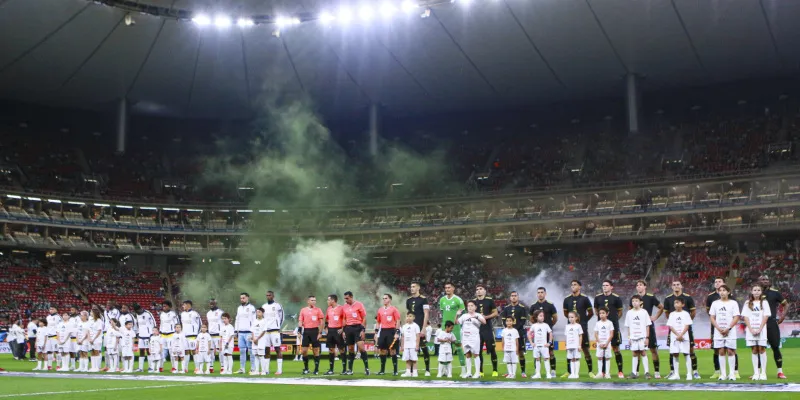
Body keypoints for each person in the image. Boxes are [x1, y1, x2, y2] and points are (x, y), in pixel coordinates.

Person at [663, 280, 700, 379]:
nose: (676, 286)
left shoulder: (687, 297)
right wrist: (674, 323)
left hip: (686, 329)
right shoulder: (668, 299)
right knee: (673, 351)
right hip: (674, 329)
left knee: (690, 350)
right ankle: (674, 372)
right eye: (674, 285)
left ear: (681, 286)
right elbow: (667, 314)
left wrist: (687, 322)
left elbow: (693, 312)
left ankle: (694, 371)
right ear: (671, 287)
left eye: (678, 284)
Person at [630, 280, 663, 379]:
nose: (638, 286)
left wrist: (655, 317)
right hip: (637, 328)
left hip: (648, 326)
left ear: (645, 287)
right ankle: (636, 372)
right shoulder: (634, 298)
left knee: (653, 349)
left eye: (640, 285)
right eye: (637, 285)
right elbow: (630, 311)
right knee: (637, 350)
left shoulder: (650, 297)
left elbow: (661, 307)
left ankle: (656, 372)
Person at [759, 275, 789, 379]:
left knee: (775, 347)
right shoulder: (755, 293)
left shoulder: (775, 292)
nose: (765, 281)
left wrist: (782, 316)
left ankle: (780, 372)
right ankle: (758, 372)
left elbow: (786, 304)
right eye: (763, 279)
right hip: (758, 324)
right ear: (759, 281)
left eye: (767, 279)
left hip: (771, 323)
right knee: (759, 348)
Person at [563, 280, 594, 376]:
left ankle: (590, 371)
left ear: (579, 287)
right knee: (569, 350)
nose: (573, 286)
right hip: (570, 329)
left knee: (585, 349)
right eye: (571, 285)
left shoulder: (585, 298)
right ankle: (569, 372)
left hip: (582, 328)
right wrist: (572, 321)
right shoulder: (567, 299)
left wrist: (583, 321)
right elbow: (565, 313)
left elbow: (590, 313)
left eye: (575, 285)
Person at [709, 284, 740, 381]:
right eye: (720, 290)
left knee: (730, 351)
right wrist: (718, 328)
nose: (722, 292)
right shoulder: (715, 303)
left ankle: (731, 374)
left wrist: (728, 328)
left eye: (724, 290)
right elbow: (712, 317)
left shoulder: (733, 303)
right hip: (719, 331)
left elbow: (736, 317)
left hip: (730, 331)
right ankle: (723, 374)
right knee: (721, 351)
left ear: (728, 292)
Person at [594, 280, 624, 378]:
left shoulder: (616, 298)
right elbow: (596, 310)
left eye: (607, 285)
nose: (604, 287)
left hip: (613, 327)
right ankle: (602, 372)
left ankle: (620, 371)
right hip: (602, 329)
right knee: (602, 349)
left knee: (616, 348)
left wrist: (612, 320)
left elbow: (620, 312)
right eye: (603, 285)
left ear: (611, 287)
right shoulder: (598, 297)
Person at [742, 285, 770, 380]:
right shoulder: (747, 303)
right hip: (751, 330)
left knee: (761, 349)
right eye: (755, 290)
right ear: (752, 291)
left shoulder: (764, 303)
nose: (757, 292)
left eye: (758, 290)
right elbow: (745, 317)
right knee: (754, 350)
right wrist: (751, 329)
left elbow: (766, 316)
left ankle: (763, 373)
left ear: (761, 292)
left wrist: (760, 329)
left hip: (761, 329)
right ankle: (756, 373)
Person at [439, 282, 466, 376]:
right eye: (446, 288)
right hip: (445, 327)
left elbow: (462, 311)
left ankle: (463, 370)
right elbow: (443, 313)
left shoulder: (458, 299)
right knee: (444, 347)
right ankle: (445, 370)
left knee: (458, 347)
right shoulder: (442, 300)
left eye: (449, 287)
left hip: (456, 327)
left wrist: (457, 318)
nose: (447, 289)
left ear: (453, 288)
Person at [500, 291, 529, 377]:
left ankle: (523, 371)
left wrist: (514, 330)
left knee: (520, 353)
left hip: (518, 333)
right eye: (512, 296)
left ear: (518, 297)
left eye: (515, 296)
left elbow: (523, 321)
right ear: (510, 297)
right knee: (508, 352)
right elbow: (504, 320)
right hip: (509, 333)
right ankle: (509, 372)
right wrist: (509, 329)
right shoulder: (506, 308)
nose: (513, 297)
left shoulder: (522, 308)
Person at [530, 287, 558, 376]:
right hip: (538, 334)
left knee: (551, 352)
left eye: (542, 292)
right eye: (538, 292)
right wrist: (537, 326)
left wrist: (549, 326)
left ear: (545, 293)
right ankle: (537, 372)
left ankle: (552, 370)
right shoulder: (533, 306)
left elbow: (555, 318)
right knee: (537, 352)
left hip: (547, 332)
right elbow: (531, 318)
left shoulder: (550, 305)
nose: (540, 294)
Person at [473, 284, 499, 377]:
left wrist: (486, 317)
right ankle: (480, 371)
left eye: (480, 289)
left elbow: (496, 313)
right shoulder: (473, 302)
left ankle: (495, 370)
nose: (478, 291)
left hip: (488, 328)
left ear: (484, 291)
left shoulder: (489, 300)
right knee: (478, 351)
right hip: (477, 330)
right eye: (477, 289)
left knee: (492, 349)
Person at [406, 282, 432, 376]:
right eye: (411, 287)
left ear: (418, 288)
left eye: (413, 287)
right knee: (412, 349)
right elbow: (408, 314)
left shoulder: (423, 299)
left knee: (424, 348)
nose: (411, 288)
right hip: (411, 329)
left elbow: (426, 313)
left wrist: (424, 328)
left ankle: (427, 370)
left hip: (420, 327)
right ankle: (411, 371)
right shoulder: (408, 300)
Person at [341, 291, 369, 375]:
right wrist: (343, 330)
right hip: (348, 328)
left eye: (347, 298)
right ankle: (350, 369)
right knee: (350, 349)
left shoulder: (359, 305)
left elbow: (364, 318)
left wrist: (363, 330)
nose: (346, 300)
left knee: (361, 347)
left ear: (351, 297)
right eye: (345, 298)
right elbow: (344, 319)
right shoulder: (344, 306)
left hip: (357, 327)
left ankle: (367, 368)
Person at [625, 295, 652, 379]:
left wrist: (647, 338)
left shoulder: (644, 312)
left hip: (642, 336)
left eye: (636, 301)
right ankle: (633, 373)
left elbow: (648, 325)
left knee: (643, 352)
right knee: (634, 353)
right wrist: (629, 337)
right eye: (633, 301)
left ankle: (646, 372)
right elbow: (628, 326)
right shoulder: (629, 312)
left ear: (640, 302)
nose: (634, 303)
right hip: (633, 337)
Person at [457, 300, 486, 379]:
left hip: (474, 337)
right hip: (465, 337)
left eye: (472, 305)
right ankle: (468, 372)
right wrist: (457, 315)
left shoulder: (478, 315)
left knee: (476, 354)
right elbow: (456, 322)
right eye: (468, 305)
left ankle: (477, 373)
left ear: (475, 307)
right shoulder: (464, 316)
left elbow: (484, 322)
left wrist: (477, 317)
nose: (470, 307)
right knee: (467, 354)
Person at [666, 298, 693, 381]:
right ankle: (676, 374)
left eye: (678, 302)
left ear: (683, 304)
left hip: (684, 337)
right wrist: (677, 335)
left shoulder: (686, 314)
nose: (676, 304)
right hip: (675, 337)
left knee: (686, 354)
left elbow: (687, 325)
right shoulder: (672, 314)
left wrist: (681, 334)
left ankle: (689, 374)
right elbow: (670, 326)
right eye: (675, 303)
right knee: (675, 354)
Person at [375, 294, 401, 376]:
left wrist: (397, 332)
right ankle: (382, 370)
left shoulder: (394, 309)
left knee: (392, 350)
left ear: (390, 299)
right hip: (383, 331)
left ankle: (395, 370)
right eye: (383, 298)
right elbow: (378, 321)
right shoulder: (380, 310)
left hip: (391, 331)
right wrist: (376, 331)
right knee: (382, 350)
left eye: (386, 298)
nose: (384, 300)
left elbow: (398, 320)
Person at [299, 296, 324, 375]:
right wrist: (299, 331)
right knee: (304, 351)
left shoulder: (318, 310)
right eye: (312, 300)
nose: (314, 301)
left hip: (314, 331)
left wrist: (320, 333)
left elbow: (322, 322)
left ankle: (316, 369)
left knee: (315, 351)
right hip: (306, 331)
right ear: (308, 301)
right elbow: (300, 321)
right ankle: (306, 368)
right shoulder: (303, 310)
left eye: (315, 300)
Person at [262, 290, 285, 375]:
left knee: (277, 349)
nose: (268, 296)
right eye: (267, 295)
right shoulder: (264, 306)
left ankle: (279, 370)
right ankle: (266, 370)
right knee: (266, 350)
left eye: (270, 295)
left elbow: (282, 317)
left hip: (275, 331)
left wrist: (278, 326)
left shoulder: (277, 306)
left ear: (273, 296)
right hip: (266, 332)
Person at [324, 294, 346, 375]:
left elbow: (345, 318)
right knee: (331, 349)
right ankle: (331, 369)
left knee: (341, 349)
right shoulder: (329, 309)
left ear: (333, 300)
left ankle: (344, 369)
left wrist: (343, 329)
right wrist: (326, 328)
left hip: (338, 330)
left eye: (328, 300)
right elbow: (327, 319)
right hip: (330, 331)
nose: (327, 301)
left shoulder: (341, 308)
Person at [235, 292, 257, 374]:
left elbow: (254, 320)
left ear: (247, 298)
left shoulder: (251, 308)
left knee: (251, 351)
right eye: (241, 298)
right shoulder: (239, 308)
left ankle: (253, 368)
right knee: (242, 351)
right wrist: (236, 330)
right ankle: (242, 368)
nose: (242, 299)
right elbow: (237, 319)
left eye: (243, 298)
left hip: (248, 332)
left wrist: (253, 332)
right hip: (241, 332)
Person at [529, 310, 553, 379]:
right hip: (536, 346)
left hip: (544, 346)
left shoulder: (546, 325)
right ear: (536, 317)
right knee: (537, 359)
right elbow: (529, 334)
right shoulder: (534, 325)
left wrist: (549, 342)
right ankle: (537, 374)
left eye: (543, 316)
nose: (542, 317)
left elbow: (550, 333)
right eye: (540, 316)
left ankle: (548, 373)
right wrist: (531, 343)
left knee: (546, 359)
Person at [180, 300, 202, 374]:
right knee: (186, 352)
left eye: (184, 305)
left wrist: (197, 335)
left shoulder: (195, 314)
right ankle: (185, 368)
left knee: (194, 352)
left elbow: (200, 325)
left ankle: (197, 368)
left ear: (188, 305)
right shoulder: (182, 314)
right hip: (185, 336)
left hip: (193, 336)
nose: (183, 306)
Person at [133, 303, 156, 372]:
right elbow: (137, 324)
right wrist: (137, 333)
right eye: (136, 311)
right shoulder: (136, 315)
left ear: (140, 308)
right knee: (141, 351)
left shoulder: (148, 313)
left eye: (138, 310)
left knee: (148, 351)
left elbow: (154, 322)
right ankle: (140, 368)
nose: (137, 312)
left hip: (148, 335)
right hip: (141, 336)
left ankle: (151, 367)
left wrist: (153, 333)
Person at [400, 312, 421, 377]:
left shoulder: (416, 326)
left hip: (413, 345)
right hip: (406, 346)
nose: (408, 317)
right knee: (407, 359)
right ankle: (408, 372)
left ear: (414, 318)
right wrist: (402, 345)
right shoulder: (404, 326)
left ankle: (415, 372)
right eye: (407, 316)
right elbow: (403, 337)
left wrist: (417, 345)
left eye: (410, 316)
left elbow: (418, 336)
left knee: (414, 359)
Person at [206, 299, 224, 373]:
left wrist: (222, 334)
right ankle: (211, 366)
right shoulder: (208, 313)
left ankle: (222, 366)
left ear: (216, 303)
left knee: (220, 351)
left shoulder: (220, 312)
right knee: (211, 352)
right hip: (211, 335)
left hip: (218, 335)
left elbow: (223, 323)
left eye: (213, 303)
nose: (211, 304)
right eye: (210, 303)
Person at [159, 301, 178, 370]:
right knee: (161, 351)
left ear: (169, 306)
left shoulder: (173, 314)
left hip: (171, 335)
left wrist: (176, 333)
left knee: (171, 351)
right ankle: (161, 367)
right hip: (163, 335)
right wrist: (160, 333)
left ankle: (174, 367)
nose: (164, 307)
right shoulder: (162, 314)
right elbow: (161, 324)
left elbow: (177, 324)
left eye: (165, 306)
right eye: (163, 306)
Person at [564, 311, 583, 379]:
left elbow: (580, 336)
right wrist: (566, 345)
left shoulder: (578, 326)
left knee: (576, 359)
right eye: (569, 317)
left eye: (572, 317)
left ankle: (576, 374)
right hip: (569, 345)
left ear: (576, 318)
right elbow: (566, 336)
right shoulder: (567, 326)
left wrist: (579, 345)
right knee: (571, 359)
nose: (570, 319)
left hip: (576, 345)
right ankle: (572, 373)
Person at [252, 308, 268, 375]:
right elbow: (252, 331)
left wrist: (257, 339)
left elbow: (263, 331)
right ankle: (257, 370)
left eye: (259, 312)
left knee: (261, 355)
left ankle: (264, 371)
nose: (257, 313)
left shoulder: (264, 321)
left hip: (261, 341)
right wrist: (253, 339)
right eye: (257, 312)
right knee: (256, 355)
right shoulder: (254, 321)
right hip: (254, 341)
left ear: (262, 313)